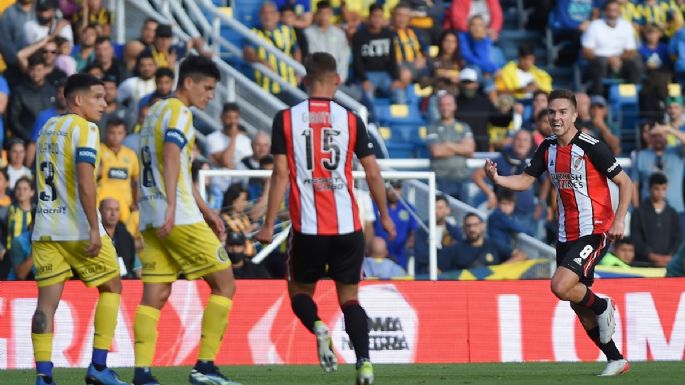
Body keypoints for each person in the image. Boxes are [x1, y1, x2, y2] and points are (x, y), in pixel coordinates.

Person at [255, 52, 396, 385]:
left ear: (306, 79)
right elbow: (373, 173)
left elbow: (279, 173)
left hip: (308, 227)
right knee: (349, 299)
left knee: (300, 292)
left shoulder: (286, 119)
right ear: (337, 79)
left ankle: (318, 327)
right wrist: (385, 216)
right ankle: (364, 364)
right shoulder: (351, 119)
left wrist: (265, 224)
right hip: (348, 226)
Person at [484, 89, 633, 376]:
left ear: (575, 115)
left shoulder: (591, 146)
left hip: (595, 229)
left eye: (563, 112)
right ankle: (615, 358)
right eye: (552, 112)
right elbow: (526, 180)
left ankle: (603, 306)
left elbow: (626, 183)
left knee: (560, 286)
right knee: (577, 303)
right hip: (566, 233)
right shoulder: (547, 148)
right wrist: (498, 178)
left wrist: (619, 220)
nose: (556, 117)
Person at [133, 55, 241, 385]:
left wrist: (209, 211)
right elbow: (170, 155)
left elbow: (177, 167)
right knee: (225, 284)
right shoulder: (180, 112)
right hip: (177, 216)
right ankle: (205, 367)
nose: (210, 96)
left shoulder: (155, 113)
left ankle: (142, 373)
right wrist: (171, 208)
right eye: (207, 88)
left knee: (156, 295)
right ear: (189, 83)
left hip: (151, 216)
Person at [31, 73, 125, 385]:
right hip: (77, 227)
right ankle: (98, 367)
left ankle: (43, 376)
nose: (104, 102)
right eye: (97, 97)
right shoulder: (85, 129)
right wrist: (94, 229)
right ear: (77, 99)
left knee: (46, 305)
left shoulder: (47, 129)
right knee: (112, 286)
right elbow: (86, 182)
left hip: (45, 226)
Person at [581, 0, 642, 96]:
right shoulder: (594, 25)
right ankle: (598, 98)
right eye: (609, 10)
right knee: (600, 63)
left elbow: (631, 50)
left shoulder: (626, 25)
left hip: (621, 61)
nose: (612, 14)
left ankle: (631, 96)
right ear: (604, 12)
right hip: (600, 60)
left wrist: (618, 59)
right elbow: (586, 51)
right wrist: (608, 59)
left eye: (615, 10)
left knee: (636, 62)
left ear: (619, 12)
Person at [243, 2, 301, 100]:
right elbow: (247, 53)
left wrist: (298, 71)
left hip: (290, 84)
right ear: (260, 16)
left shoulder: (287, 30)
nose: (267, 16)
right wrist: (262, 61)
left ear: (277, 15)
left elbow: (296, 50)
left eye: (271, 13)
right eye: (264, 13)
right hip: (267, 87)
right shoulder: (254, 33)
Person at [352, 4, 404, 108]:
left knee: (400, 95)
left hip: (385, 75)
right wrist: (364, 80)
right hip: (367, 75)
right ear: (369, 18)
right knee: (368, 98)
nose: (377, 19)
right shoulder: (359, 36)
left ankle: (395, 123)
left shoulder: (388, 34)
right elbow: (357, 61)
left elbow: (392, 58)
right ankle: (373, 123)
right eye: (374, 16)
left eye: (380, 16)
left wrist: (396, 79)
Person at [425, 93, 475, 202]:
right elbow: (436, 151)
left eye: (448, 104)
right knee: (441, 214)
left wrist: (447, 145)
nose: (445, 107)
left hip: (462, 178)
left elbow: (470, 150)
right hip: (440, 178)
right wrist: (460, 147)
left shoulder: (464, 127)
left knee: (464, 213)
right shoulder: (432, 127)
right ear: (438, 107)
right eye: (442, 105)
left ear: (454, 106)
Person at [97, 117, 140, 237]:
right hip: (102, 204)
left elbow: (136, 182)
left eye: (120, 133)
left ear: (125, 134)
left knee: (124, 239)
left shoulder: (130, 155)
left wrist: (135, 203)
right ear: (106, 132)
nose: (116, 136)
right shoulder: (98, 151)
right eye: (112, 133)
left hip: (124, 206)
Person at [630, 173, 682, 267]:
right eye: (656, 188)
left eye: (663, 188)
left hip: (668, 264)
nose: (660, 192)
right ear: (650, 188)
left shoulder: (673, 213)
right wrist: (651, 255)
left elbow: (678, 238)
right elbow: (636, 238)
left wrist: (670, 256)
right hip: (644, 264)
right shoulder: (639, 212)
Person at [9, 53, 57, 143]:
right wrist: (30, 138)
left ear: (45, 70)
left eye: (39, 70)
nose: (35, 74)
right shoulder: (19, 91)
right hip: (27, 140)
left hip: (52, 139)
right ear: (28, 70)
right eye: (32, 70)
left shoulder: (53, 90)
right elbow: (13, 120)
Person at [414, 194, 463, 275]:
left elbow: (458, 253)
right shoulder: (422, 230)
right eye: (433, 207)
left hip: (449, 275)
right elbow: (421, 254)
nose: (436, 211)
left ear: (447, 210)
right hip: (425, 275)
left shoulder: (454, 232)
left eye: (440, 208)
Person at [373, 180, 417, 269]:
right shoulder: (377, 206)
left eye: (397, 188)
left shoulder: (408, 207)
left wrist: (410, 241)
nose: (394, 192)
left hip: (401, 254)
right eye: (391, 188)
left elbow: (413, 229)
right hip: (379, 255)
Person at [486, 189, 529, 263]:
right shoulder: (499, 216)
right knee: (522, 255)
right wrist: (530, 232)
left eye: (509, 204)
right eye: (503, 204)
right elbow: (520, 229)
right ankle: (501, 271)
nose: (506, 207)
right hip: (498, 247)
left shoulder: (503, 216)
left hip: (500, 247)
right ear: (498, 204)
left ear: (514, 205)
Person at [100, 197, 139, 279]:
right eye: (109, 209)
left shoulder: (126, 235)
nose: (113, 213)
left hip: (126, 281)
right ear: (100, 211)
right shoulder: (93, 234)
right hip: (101, 279)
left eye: (116, 210)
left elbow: (133, 263)